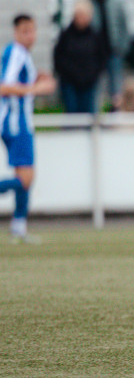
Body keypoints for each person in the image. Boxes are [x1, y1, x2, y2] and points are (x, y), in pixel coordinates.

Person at [1, 14, 57, 242]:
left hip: (20, 121)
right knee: (25, 179)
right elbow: (4, 87)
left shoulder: (23, 55)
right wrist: (37, 89)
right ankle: (19, 224)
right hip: (16, 122)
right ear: (16, 32)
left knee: (25, 177)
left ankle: (19, 225)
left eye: (32, 30)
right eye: (25, 31)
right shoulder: (15, 52)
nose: (30, 36)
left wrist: (35, 80)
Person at [52, 0, 107, 114]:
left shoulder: (95, 36)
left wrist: (91, 75)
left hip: (90, 83)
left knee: (89, 113)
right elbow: (59, 59)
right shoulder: (66, 35)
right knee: (72, 113)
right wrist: (72, 74)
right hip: (69, 83)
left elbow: (101, 59)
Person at [88, 0, 130, 109]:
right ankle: (96, 114)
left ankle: (116, 113)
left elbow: (124, 25)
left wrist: (122, 47)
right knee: (96, 87)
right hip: (95, 53)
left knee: (116, 87)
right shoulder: (89, 2)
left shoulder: (115, 2)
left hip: (113, 50)